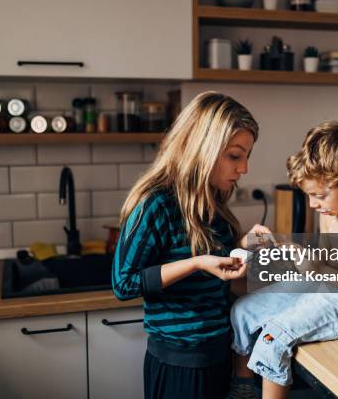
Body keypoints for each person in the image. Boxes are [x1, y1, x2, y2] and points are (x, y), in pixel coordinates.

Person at [112, 91, 267, 399]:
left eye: (247, 156)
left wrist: (245, 245)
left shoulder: (214, 203)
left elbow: (216, 270)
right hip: (179, 366)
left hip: (219, 355)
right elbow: (123, 284)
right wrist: (196, 263)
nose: (244, 168)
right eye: (235, 155)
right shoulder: (155, 204)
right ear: (203, 149)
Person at [227, 120, 338, 399]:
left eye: (318, 196)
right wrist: (293, 251)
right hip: (325, 284)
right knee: (242, 311)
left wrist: (317, 270)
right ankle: (243, 389)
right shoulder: (330, 209)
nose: (312, 205)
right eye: (308, 195)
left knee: (273, 338)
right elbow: (328, 260)